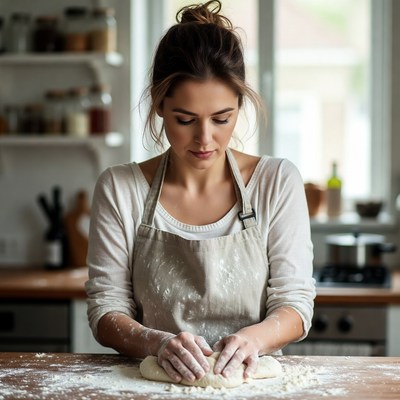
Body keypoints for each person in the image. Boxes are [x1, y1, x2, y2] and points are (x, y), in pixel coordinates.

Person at [86, 0, 315, 384]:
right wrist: (155, 343)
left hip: (251, 386)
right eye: (185, 119)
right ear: (159, 105)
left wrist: (252, 340)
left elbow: (294, 304)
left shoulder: (276, 181)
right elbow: (106, 309)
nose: (205, 139)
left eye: (222, 119)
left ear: (240, 106)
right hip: (149, 387)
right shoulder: (120, 188)